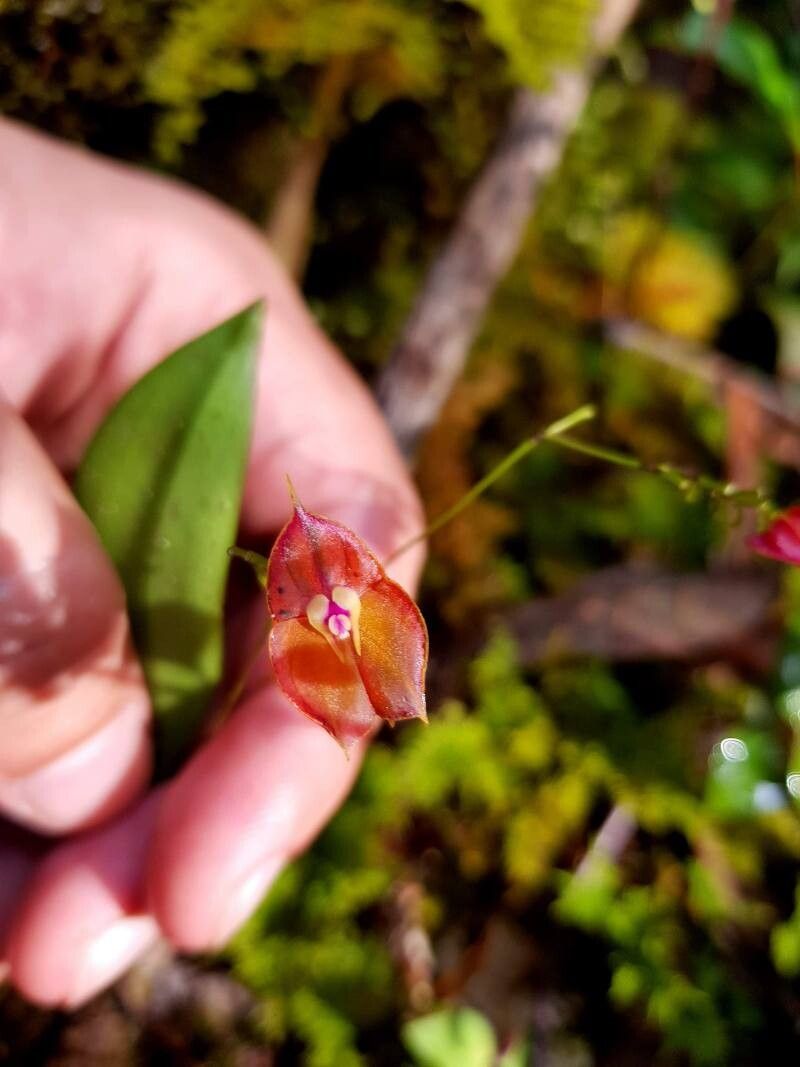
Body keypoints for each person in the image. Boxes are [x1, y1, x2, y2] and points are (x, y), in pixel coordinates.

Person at [0, 117, 425, 1007]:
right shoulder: (300, 583)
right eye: (316, 578)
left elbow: (375, 685)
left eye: (334, 581)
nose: (331, 593)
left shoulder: (330, 619)